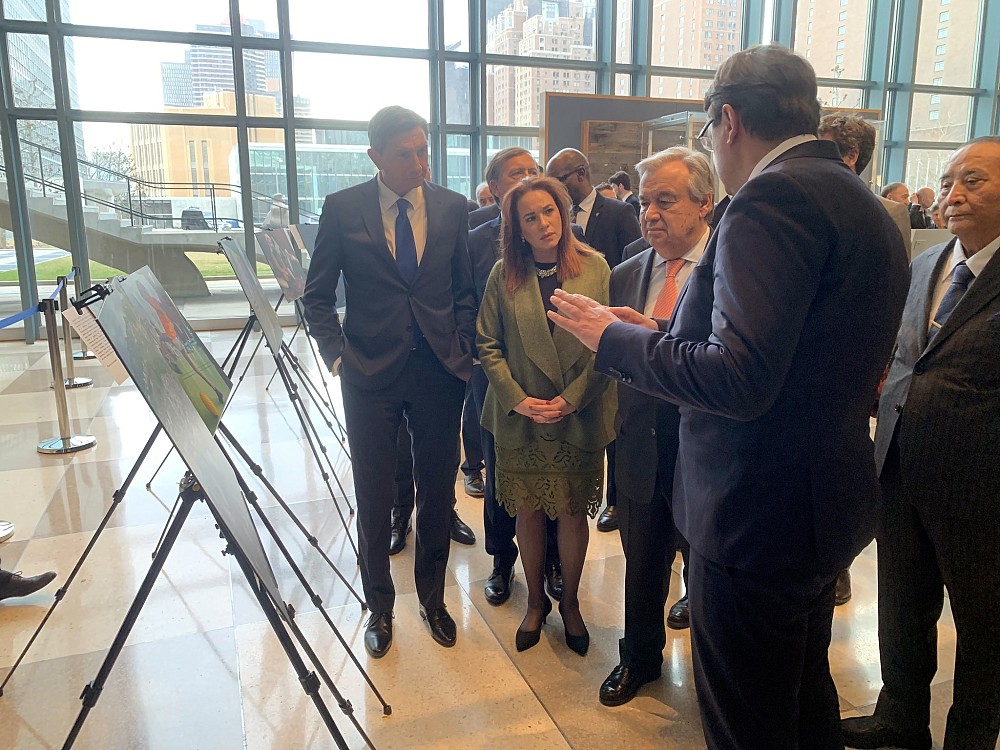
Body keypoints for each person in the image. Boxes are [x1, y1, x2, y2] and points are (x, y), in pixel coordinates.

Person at [548, 45, 909, 749]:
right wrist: (654, 327)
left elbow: (738, 379)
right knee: (804, 706)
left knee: (749, 724)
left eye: (710, 131)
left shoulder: (770, 200)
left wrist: (613, 341)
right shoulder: (858, 198)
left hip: (754, 514)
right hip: (819, 499)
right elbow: (795, 347)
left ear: (731, 120)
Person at [841, 136, 1000, 750]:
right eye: (951, 179)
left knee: (983, 628)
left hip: (983, 491)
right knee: (903, 609)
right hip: (901, 471)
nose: (954, 195)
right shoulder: (929, 265)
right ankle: (899, 716)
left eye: (975, 181)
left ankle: (970, 736)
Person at [302, 105, 477, 658]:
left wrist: (464, 347)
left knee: (437, 488)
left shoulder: (453, 209)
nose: (420, 163)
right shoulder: (342, 207)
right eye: (406, 154)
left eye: (424, 151)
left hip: (438, 372)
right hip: (368, 373)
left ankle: (433, 598)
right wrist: (336, 356)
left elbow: (464, 290)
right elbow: (317, 296)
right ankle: (379, 604)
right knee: (374, 493)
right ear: (375, 156)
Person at [477, 176, 615, 657]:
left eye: (550, 211)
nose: (543, 224)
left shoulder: (595, 267)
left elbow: (608, 345)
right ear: (515, 227)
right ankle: (535, 602)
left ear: (563, 211)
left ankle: (571, 604)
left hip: (577, 413)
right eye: (530, 217)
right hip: (522, 417)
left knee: (574, 513)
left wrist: (574, 398)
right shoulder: (504, 274)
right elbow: (487, 343)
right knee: (528, 512)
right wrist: (515, 398)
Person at [598, 147, 712, 708]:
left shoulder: (728, 270)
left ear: (705, 202)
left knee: (706, 568)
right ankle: (638, 659)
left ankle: (714, 677)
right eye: (645, 203)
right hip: (640, 441)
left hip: (705, 448)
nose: (650, 214)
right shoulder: (625, 271)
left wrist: (656, 333)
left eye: (666, 201)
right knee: (642, 563)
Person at [817, 112, 914, 605]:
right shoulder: (804, 200)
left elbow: (892, 297)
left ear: (851, 156)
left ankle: (838, 562)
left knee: (842, 458)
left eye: (824, 144)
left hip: (856, 361)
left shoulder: (885, 214)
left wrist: (881, 368)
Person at [468, 147, 569, 608]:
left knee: (553, 482)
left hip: (558, 392)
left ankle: (550, 562)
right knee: (503, 478)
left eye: (534, 171)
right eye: (516, 173)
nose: (528, 177)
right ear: (494, 189)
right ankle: (502, 560)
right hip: (498, 383)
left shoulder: (570, 245)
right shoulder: (476, 242)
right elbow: (472, 313)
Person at [546, 148, 641, 534]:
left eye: (560, 178)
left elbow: (634, 263)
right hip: (575, 327)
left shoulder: (617, 213)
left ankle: (615, 501)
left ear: (580, 174)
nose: (555, 188)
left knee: (615, 420)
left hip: (616, 325)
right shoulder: (561, 218)